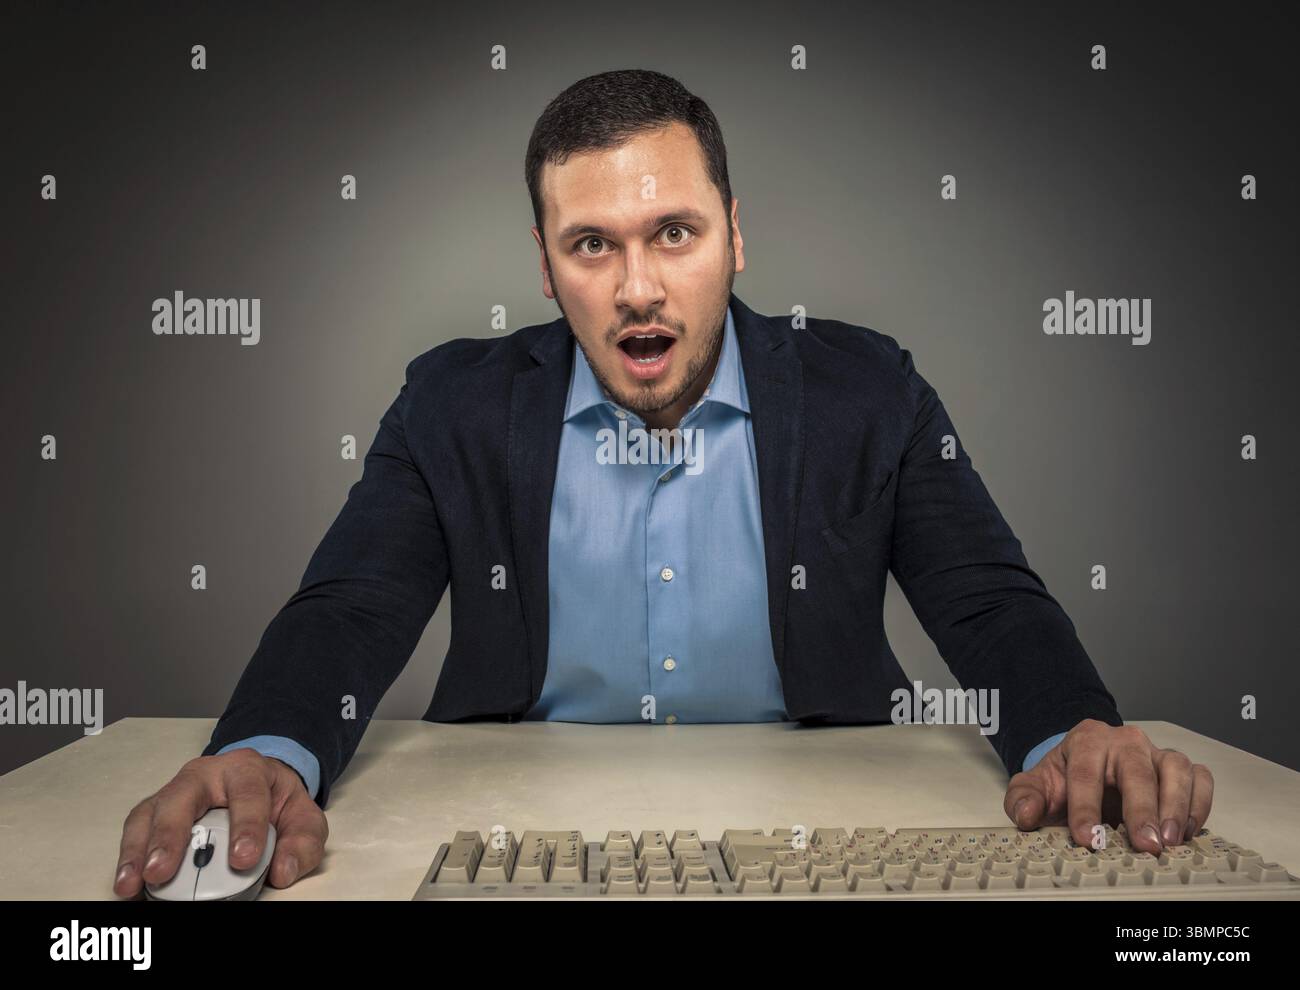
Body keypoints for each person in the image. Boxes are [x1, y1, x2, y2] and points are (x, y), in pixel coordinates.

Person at [113, 69, 1213, 897]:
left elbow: (986, 602)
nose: (638, 287)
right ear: (544, 267)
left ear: (734, 238)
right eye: (591, 245)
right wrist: (260, 756)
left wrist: (1074, 730)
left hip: (836, 836)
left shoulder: (865, 390)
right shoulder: (452, 405)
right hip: (513, 842)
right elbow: (350, 609)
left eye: (673, 233)